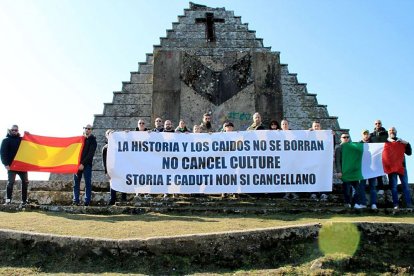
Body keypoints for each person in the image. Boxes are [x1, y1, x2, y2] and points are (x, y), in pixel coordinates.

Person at [1, 125, 29, 206]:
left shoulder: (22, 140)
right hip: (11, 166)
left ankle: (24, 200)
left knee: (25, 182)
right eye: (13, 130)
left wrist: (28, 135)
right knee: (11, 182)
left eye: (16, 130)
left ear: (18, 131)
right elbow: (3, 153)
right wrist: (5, 164)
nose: (14, 131)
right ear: (10, 130)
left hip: (22, 166)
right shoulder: (6, 140)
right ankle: (8, 200)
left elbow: (30, 145)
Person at [386, 127, 412, 209]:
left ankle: (408, 204)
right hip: (392, 168)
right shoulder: (385, 143)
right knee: (393, 187)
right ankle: (395, 204)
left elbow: (409, 153)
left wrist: (408, 144)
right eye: (390, 130)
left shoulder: (401, 142)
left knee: (405, 186)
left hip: (402, 167)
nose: (391, 131)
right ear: (388, 132)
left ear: (396, 132)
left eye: (393, 130)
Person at [73, 124, 97, 206]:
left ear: (91, 130)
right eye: (86, 128)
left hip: (86, 165)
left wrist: (83, 164)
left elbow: (90, 154)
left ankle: (87, 201)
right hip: (77, 165)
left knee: (87, 183)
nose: (87, 129)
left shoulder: (93, 140)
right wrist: (77, 164)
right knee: (76, 183)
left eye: (89, 128)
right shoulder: (80, 139)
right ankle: (75, 200)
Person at [102, 129, 127, 205]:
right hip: (111, 168)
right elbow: (104, 161)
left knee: (123, 182)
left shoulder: (119, 144)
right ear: (106, 136)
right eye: (108, 134)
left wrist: (126, 133)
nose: (110, 136)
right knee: (113, 183)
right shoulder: (105, 148)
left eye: (112, 134)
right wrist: (106, 172)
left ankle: (124, 198)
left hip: (120, 167)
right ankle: (112, 199)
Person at [335, 133, 360, 208]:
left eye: (347, 137)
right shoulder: (338, 148)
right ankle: (347, 203)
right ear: (341, 139)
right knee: (347, 188)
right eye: (344, 137)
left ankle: (355, 203)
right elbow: (337, 161)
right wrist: (339, 171)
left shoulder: (353, 147)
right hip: (345, 172)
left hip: (353, 172)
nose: (346, 138)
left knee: (357, 189)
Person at [308, 121, 329, 202]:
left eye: (317, 126)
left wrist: (332, 135)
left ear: (320, 127)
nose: (316, 127)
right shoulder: (310, 135)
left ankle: (324, 193)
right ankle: (314, 193)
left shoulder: (326, 135)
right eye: (315, 126)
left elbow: (331, 145)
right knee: (312, 176)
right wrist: (308, 133)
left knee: (323, 176)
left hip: (323, 160)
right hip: (312, 160)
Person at [358, 129, 377, 209]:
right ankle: (363, 203)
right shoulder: (358, 144)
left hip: (372, 168)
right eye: (364, 134)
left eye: (367, 134)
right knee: (361, 186)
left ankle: (373, 203)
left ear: (369, 135)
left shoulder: (374, 144)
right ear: (362, 135)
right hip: (362, 169)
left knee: (372, 186)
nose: (366, 135)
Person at [280, 119, 299, 200]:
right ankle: (287, 193)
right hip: (282, 159)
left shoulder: (294, 134)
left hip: (293, 159)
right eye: (283, 124)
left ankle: (294, 192)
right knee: (285, 176)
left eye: (286, 124)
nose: (284, 125)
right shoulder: (278, 134)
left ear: (288, 125)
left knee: (293, 176)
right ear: (281, 126)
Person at [369, 119, 388, 191]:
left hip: (385, 155)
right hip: (375, 156)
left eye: (379, 123)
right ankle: (380, 188)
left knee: (386, 171)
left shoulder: (387, 134)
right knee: (377, 171)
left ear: (381, 124)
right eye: (376, 123)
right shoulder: (371, 135)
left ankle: (383, 188)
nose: (377, 125)